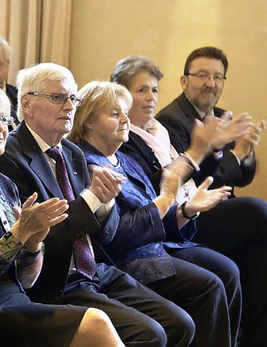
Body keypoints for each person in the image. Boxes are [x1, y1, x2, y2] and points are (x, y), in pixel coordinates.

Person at [0, 63, 195, 346]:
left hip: (94, 268)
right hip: (55, 279)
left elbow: (107, 234)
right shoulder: (11, 157)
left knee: (180, 324)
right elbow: (47, 236)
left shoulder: (73, 154)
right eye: (58, 98)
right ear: (27, 103)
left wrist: (107, 203)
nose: (69, 106)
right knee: (150, 334)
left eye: (73, 99)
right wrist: (92, 199)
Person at [0, 80, 125, 347]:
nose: (1, 128)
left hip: (19, 299)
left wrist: (34, 242)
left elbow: (26, 279)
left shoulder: (3, 183)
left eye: (5, 118)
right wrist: (20, 232)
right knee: (95, 323)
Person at [69, 80, 241, 347]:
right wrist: (168, 196)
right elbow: (120, 234)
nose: (126, 119)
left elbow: (157, 212)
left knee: (225, 273)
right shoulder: (91, 166)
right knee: (210, 285)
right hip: (127, 260)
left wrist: (186, 210)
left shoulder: (124, 159)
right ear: (88, 122)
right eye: (115, 114)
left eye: (125, 111)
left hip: (153, 249)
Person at [111, 55, 267, 346]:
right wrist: (201, 150)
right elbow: (159, 186)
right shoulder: (124, 138)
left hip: (186, 209)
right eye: (141, 90)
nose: (150, 97)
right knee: (256, 212)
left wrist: (214, 150)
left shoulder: (158, 129)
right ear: (119, 96)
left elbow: (201, 176)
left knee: (258, 257)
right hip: (167, 225)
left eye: (154, 90)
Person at [156, 46, 266, 196]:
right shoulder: (170, 120)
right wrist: (237, 153)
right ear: (184, 82)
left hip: (226, 205)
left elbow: (243, 180)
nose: (210, 84)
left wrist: (247, 152)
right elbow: (193, 183)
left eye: (217, 77)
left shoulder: (224, 116)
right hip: (195, 211)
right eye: (202, 76)